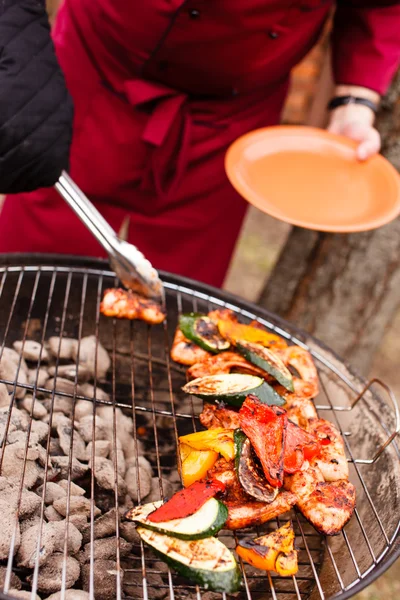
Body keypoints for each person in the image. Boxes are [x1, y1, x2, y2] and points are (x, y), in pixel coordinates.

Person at [0, 1, 399, 288]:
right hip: (97, 68)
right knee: (31, 271)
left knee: (181, 300)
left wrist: (354, 102)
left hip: (232, 118)